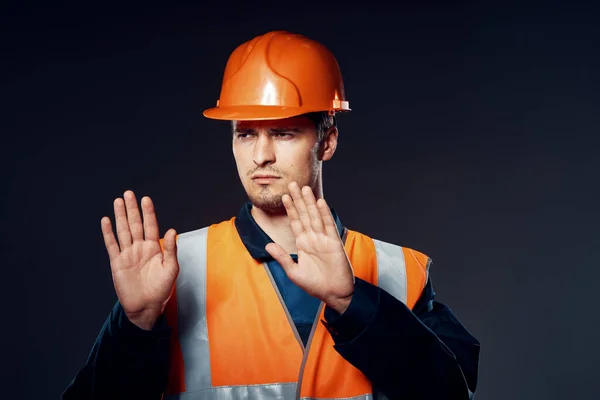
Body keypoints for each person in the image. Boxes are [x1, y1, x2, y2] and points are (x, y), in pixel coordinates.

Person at [62, 30, 480, 400]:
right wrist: (134, 325)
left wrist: (351, 302)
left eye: (283, 132)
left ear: (327, 141)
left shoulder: (400, 271)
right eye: (246, 134)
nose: (261, 155)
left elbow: (451, 394)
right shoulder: (174, 271)